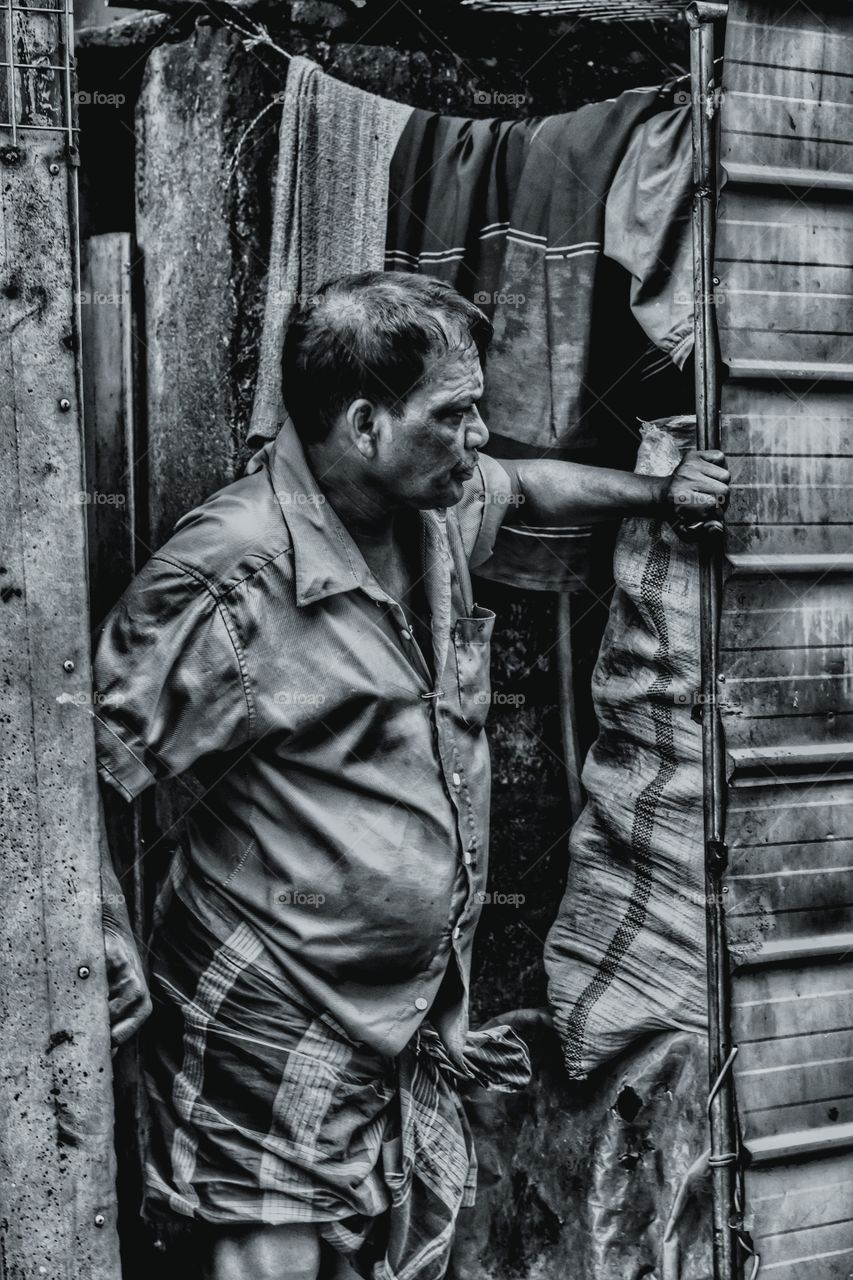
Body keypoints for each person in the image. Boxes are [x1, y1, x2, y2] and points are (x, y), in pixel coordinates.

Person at [94, 271, 730, 1280]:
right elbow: (89, 763)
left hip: (390, 1013)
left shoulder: (425, 514)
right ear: (364, 423)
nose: (476, 434)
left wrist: (660, 494)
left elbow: (526, 485)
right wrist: (99, 930)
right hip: (275, 1000)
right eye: (454, 413)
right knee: (270, 1259)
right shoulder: (233, 569)